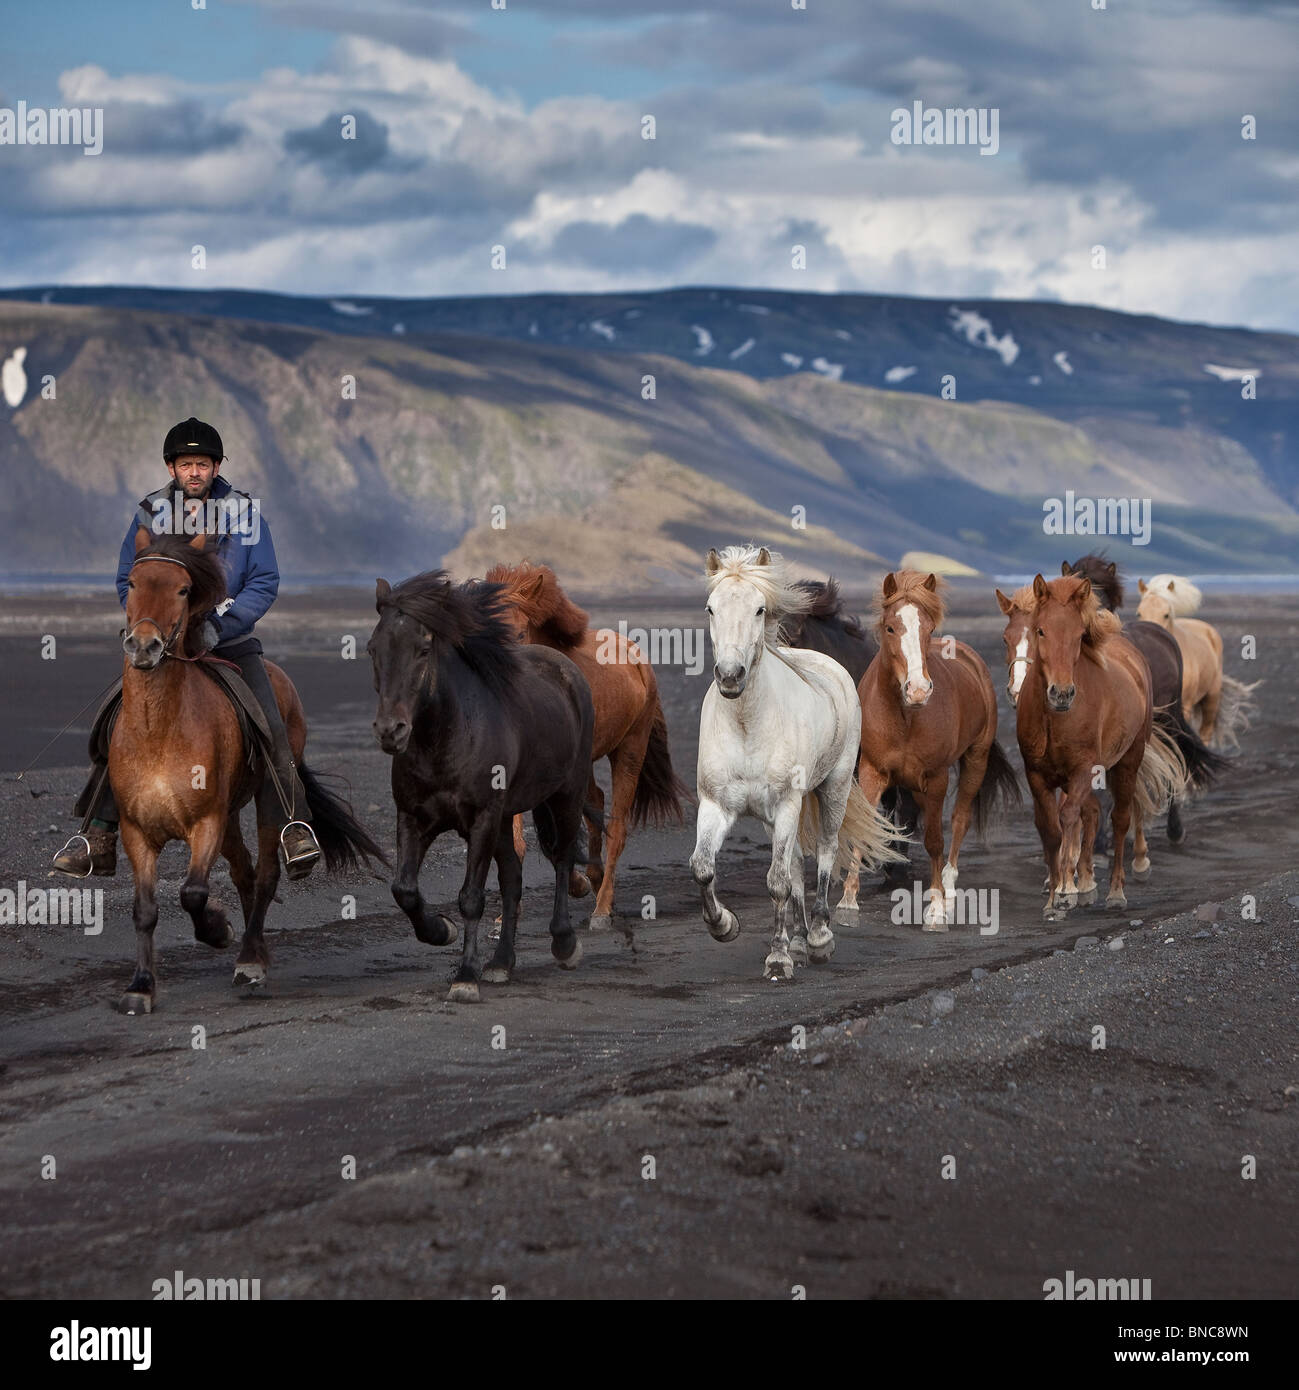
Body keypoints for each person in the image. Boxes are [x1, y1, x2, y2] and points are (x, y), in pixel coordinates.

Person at [53, 417, 321, 878]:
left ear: (216, 467)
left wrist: (222, 621)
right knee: (115, 723)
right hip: (163, 647)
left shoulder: (244, 514)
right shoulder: (150, 512)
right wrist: (146, 620)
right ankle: (97, 833)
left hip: (228, 641)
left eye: (202, 463)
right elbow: (128, 578)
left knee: (270, 721)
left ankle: (293, 825)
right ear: (171, 467)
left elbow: (264, 580)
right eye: (185, 464)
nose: (193, 472)